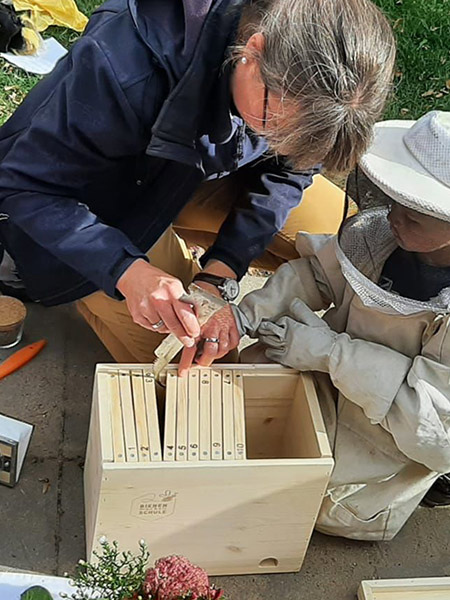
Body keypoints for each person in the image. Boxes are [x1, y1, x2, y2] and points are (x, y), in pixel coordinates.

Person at [0, 0, 395, 362]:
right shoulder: (123, 68)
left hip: (191, 172)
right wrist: (126, 269)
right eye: (273, 129)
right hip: (95, 199)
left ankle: (176, 254)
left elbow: (293, 169)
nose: (280, 146)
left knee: (344, 240)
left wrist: (219, 274)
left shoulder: (301, 76)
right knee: (190, 357)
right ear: (253, 53)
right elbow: (24, 186)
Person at [182, 110, 450, 540]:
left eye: (414, 216)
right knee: (246, 384)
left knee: (311, 500)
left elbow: (434, 427)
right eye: (395, 201)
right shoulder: (380, 236)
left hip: (385, 438)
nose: (395, 217)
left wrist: (330, 352)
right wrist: (243, 314)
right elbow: (317, 276)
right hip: (331, 380)